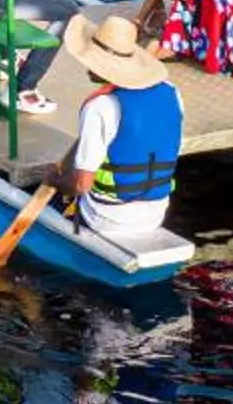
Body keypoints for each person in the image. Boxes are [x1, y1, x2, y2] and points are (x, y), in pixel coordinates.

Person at [44, 14, 186, 246]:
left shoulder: (101, 106)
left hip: (106, 218)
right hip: (155, 213)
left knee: (56, 197)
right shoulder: (172, 92)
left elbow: (81, 185)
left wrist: (55, 180)